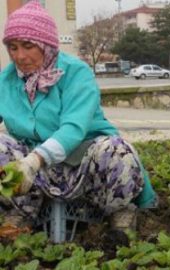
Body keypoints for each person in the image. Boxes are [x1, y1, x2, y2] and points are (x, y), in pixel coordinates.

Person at [0, 0, 156, 230]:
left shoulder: (76, 72)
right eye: (12, 48)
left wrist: (33, 161)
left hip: (83, 163)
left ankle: (120, 212)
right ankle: (23, 211)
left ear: (46, 45)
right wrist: (26, 164)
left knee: (116, 151)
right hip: (35, 174)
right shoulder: (7, 78)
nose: (20, 56)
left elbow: (73, 129)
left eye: (27, 46)